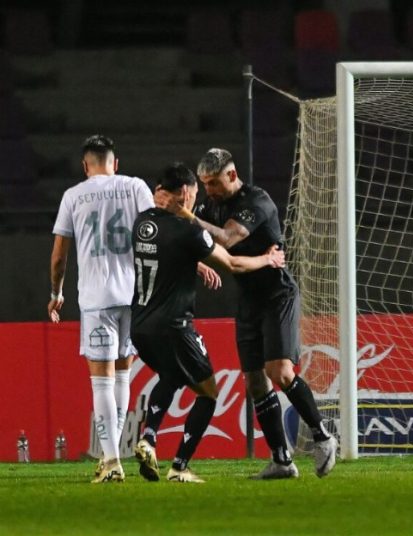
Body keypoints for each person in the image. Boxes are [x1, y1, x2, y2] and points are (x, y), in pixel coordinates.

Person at [155, 148, 337, 479]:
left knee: (279, 372)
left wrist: (185, 215)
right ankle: (282, 460)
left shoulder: (257, 201)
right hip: (249, 298)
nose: (208, 190)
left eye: (213, 183)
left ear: (233, 176)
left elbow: (225, 237)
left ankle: (323, 436)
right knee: (255, 383)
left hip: (277, 294)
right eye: (205, 184)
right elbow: (202, 240)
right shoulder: (213, 204)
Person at [131, 162, 286, 483]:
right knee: (208, 392)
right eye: (196, 192)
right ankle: (180, 466)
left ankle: (148, 438)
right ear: (186, 193)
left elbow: (168, 253)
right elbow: (232, 263)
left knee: (172, 376)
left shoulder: (142, 222)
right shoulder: (188, 231)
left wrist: (197, 266)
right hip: (174, 326)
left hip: (141, 326)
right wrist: (268, 259)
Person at [48, 135, 155, 483]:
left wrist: (56, 292)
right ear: (115, 163)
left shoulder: (73, 196)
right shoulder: (136, 186)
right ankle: (115, 455)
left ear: (85, 166)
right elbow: (156, 234)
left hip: (96, 298)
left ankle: (111, 461)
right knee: (123, 375)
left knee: (101, 380)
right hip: (133, 295)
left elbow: (60, 255)